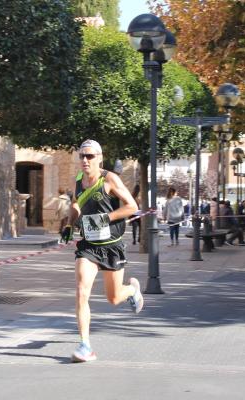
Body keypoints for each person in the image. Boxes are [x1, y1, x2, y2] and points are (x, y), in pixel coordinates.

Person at [60, 139, 141, 363]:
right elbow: (76, 203)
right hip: (88, 246)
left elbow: (132, 206)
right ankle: (85, 346)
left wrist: (105, 219)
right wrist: (69, 224)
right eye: (82, 156)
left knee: (114, 298)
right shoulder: (78, 180)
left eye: (90, 156)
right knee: (81, 290)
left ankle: (132, 291)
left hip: (111, 245)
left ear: (100, 158)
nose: (85, 160)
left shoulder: (109, 179)